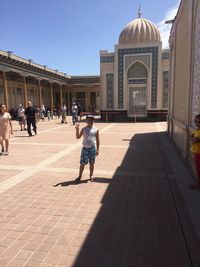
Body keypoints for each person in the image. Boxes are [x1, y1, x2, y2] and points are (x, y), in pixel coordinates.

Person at [75, 115, 100, 182]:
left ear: (93, 121)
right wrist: (77, 130)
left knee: (92, 163)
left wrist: (97, 149)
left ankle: (91, 176)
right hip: (85, 149)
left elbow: (98, 140)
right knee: (82, 163)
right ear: (86, 121)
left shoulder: (96, 129)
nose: (90, 121)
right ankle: (80, 176)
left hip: (92, 149)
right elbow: (77, 137)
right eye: (88, 120)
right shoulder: (84, 129)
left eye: (91, 120)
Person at [190, 114, 200, 190]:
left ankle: (197, 184)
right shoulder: (197, 130)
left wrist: (193, 138)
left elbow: (194, 141)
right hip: (196, 152)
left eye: (199, 122)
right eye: (195, 121)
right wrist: (193, 138)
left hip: (198, 153)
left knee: (198, 169)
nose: (197, 123)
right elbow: (192, 137)